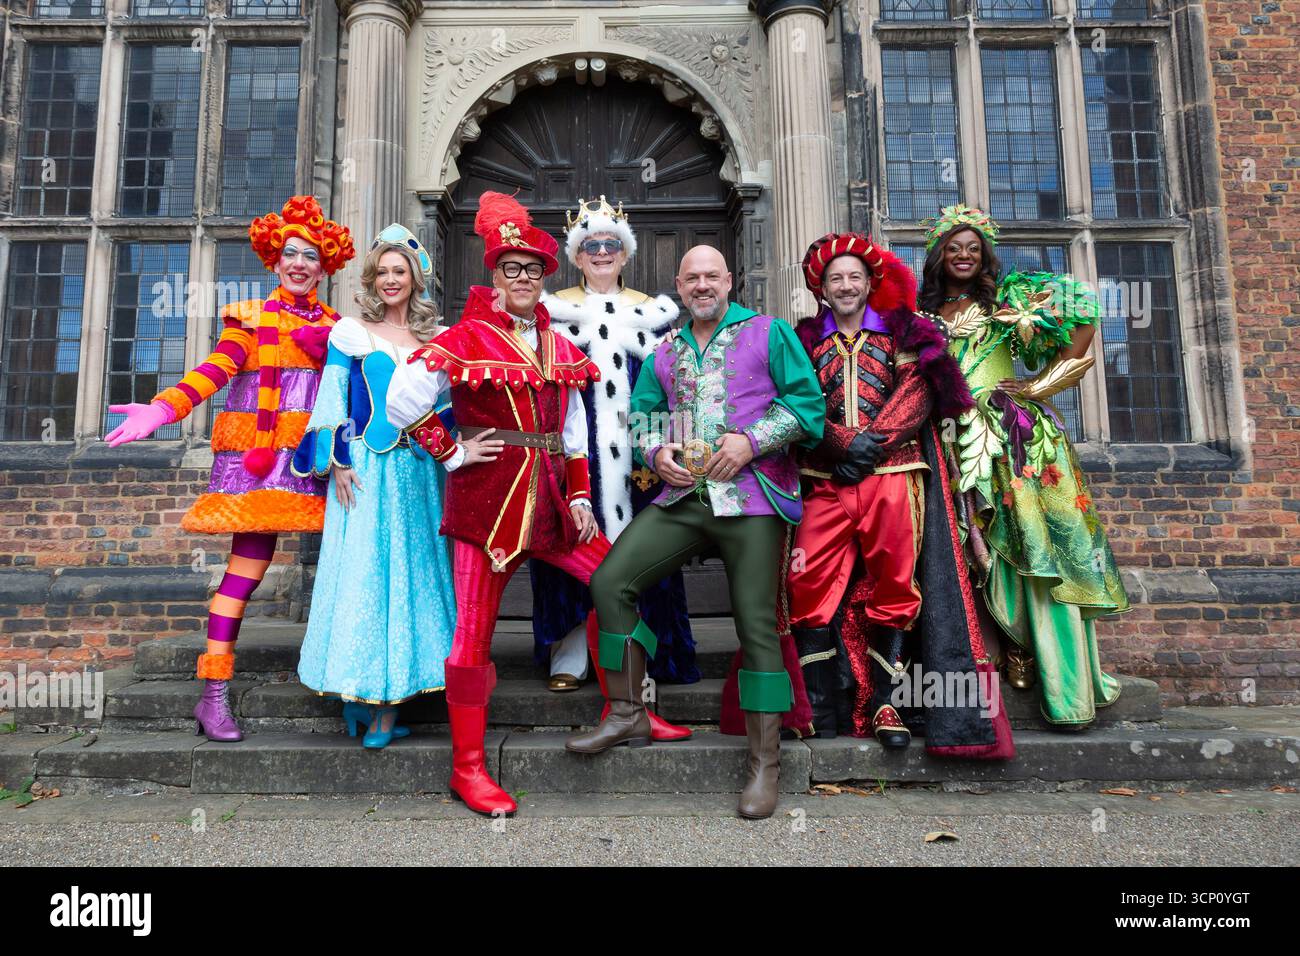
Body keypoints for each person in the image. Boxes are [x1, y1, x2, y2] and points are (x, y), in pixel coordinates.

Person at [564, 244, 825, 820]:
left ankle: (765, 762)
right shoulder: (667, 350)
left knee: (755, 625)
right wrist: (657, 452)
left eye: (712, 276)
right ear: (679, 287)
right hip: (684, 497)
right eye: (692, 278)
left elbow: (809, 408)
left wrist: (751, 440)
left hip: (755, 500)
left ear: (728, 280)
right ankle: (628, 708)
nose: (702, 285)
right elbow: (645, 416)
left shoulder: (769, 332)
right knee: (611, 583)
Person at [386, 191, 617, 817]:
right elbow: (403, 400)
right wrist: (452, 453)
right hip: (486, 501)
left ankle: (628, 711)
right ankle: (468, 769)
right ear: (494, 273)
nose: (522, 278)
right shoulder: (467, 335)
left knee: (618, 582)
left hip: (551, 501)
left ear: (544, 277)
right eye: (511, 268)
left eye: (533, 269)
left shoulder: (556, 342)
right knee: (474, 633)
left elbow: (569, 433)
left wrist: (578, 494)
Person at [104, 195, 354, 742]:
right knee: (247, 571)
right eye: (291, 253)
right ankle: (213, 694)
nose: (299, 264)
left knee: (346, 566)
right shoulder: (248, 319)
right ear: (274, 259)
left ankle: (355, 685)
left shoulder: (339, 329)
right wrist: (163, 408)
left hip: (321, 463)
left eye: (311, 256)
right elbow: (214, 370)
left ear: (324, 265)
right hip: (263, 463)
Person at [788, 232, 1015, 760]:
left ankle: (886, 704)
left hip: (895, 473)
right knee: (805, 583)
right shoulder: (800, 339)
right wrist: (839, 443)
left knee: (896, 586)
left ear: (870, 283)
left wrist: (870, 446)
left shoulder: (903, 330)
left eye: (854, 277)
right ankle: (820, 704)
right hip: (825, 478)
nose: (845, 286)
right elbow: (795, 398)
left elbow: (917, 393)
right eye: (834, 278)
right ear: (821, 288)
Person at [919, 203, 1129, 728]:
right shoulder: (919, 318)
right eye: (953, 247)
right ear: (937, 256)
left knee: (1028, 545)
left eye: (973, 247)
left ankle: (1042, 663)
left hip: (1010, 436)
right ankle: (988, 655)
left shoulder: (1007, 305)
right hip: (944, 441)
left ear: (984, 254)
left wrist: (1036, 387)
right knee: (966, 553)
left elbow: (1082, 313)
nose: (963, 255)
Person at [292, 225, 496, 748]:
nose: (389, 280)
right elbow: (332, 397)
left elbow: (448, 413)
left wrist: (464, 452)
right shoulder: (350, 334)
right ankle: (367, 699)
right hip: (365, 472)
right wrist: (337, 460)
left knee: (413, 578)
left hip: (420, 474)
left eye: (398, 271)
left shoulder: (436, 341)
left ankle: (393, 695)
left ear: (415, 279)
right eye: (381, 272)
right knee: (366, 578)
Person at [532, 195, 697, 713]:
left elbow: (677, 386)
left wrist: (675, 447)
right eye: (589, 246)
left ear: (624, 255)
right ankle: (572, 645)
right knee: (572, 542)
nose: (601, 253)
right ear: (577, 256)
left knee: (644, 546)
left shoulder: (655, 313)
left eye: (610, 245)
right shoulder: (553, 313)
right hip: (574, 451)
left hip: (641, 456)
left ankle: (648, 648)